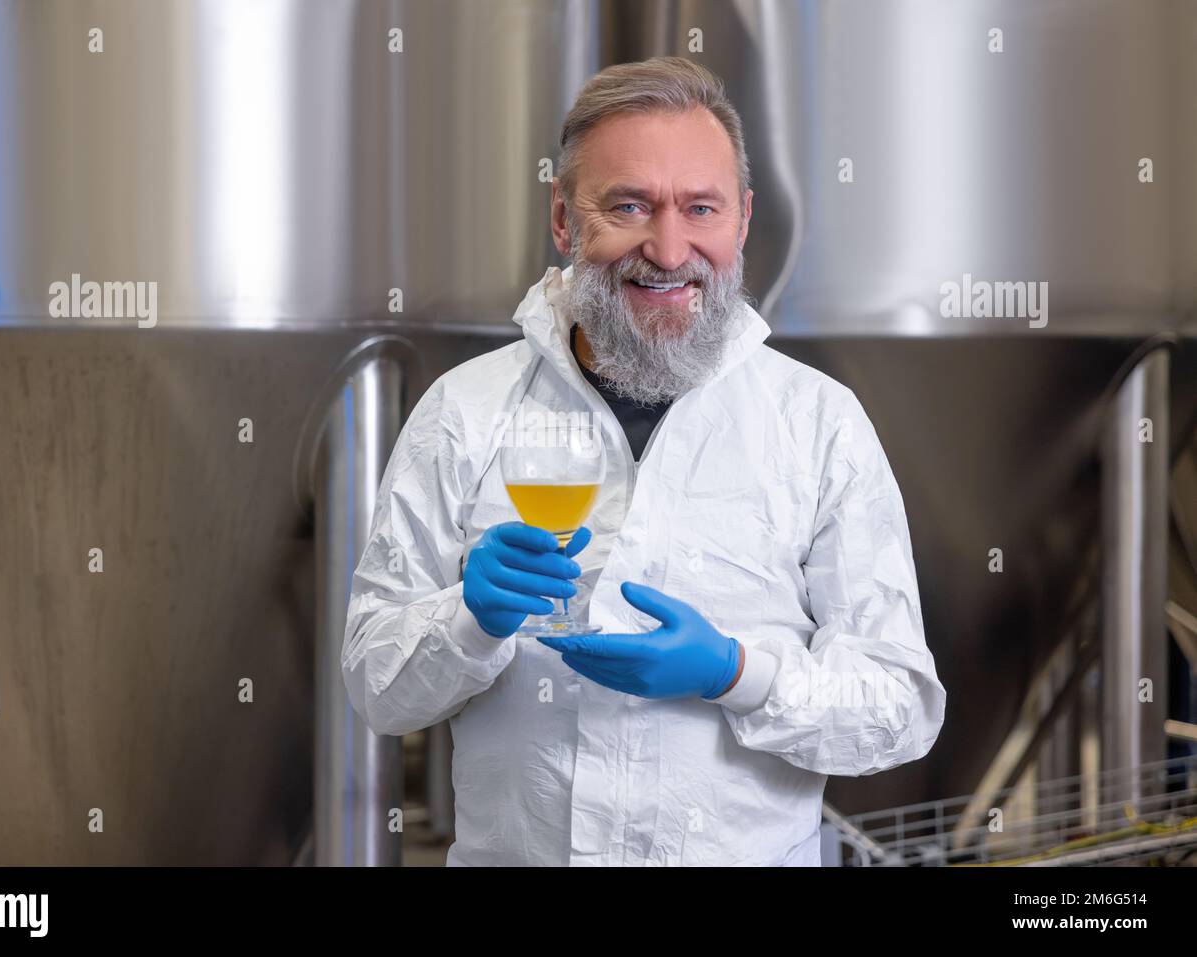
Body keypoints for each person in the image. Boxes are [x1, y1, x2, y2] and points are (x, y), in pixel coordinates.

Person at [342, 56, 946, 866]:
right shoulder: (466, 411)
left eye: (701, 207)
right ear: (564, 219)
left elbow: (900, 708)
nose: (669, 249)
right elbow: (376, 689)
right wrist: (469, 619)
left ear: (742, 219)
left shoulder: (817, 423)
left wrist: (738, 674)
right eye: (628, 205)